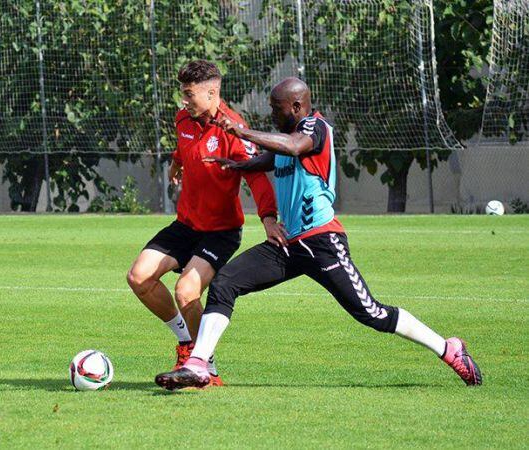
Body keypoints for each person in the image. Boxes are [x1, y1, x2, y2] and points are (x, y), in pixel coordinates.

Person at [155, 77, 482, 390]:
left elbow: (295, 146)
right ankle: (199, 365)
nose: (271, 113)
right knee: (225, 282)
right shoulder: (287, 135)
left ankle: (448, 347)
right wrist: (235, 165)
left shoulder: (315, 127)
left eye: (276, 108)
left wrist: (242, 131)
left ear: (297, 106)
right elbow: (268, 157)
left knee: (372, 313)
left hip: (322, 242)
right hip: (287, 245)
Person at [126, 60, 283, 386]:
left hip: (220, 233)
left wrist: (268, 220)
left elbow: (256, 178)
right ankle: (187, 344)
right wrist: (176, 162)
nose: (184, 101)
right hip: (186, 226)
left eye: (189, 94)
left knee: (186, 291)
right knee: (139, 277)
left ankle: (204, 366)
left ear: (213, 93)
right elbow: (185, 146)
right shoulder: (184, 118)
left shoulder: (234, 130)